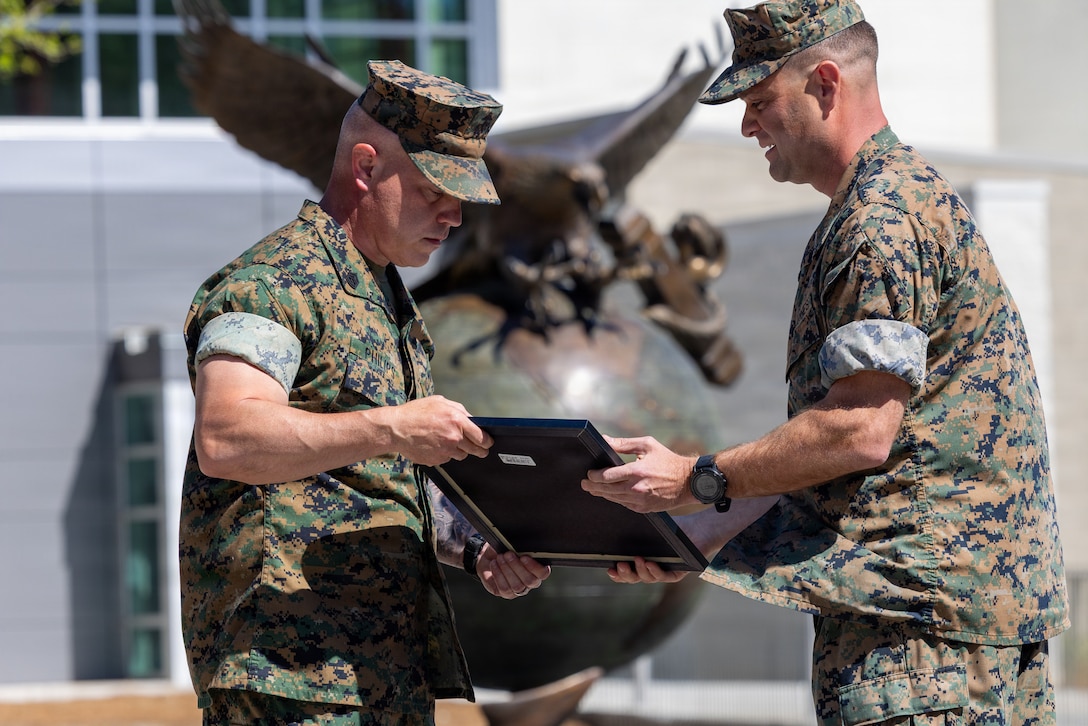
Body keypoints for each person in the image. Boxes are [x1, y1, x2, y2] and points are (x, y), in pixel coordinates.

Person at [581, 1, 1069, 723]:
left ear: (827, 84)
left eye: (760, 100)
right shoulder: (894, 200)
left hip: (919, 650)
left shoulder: (879, 221)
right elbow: (869, 449)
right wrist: (706, 525)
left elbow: (859, 429)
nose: (748, 125)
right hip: (946, 635)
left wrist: (696, 478)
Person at [180, 59, 551, 725]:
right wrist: (392, 428)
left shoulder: (384, 301)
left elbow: (379, 477)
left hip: (382, 675)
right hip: (289, 675)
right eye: (436, 189)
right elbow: (228, 437)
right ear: (365, 168)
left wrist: (476, 544)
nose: (455, 215)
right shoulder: (270, 285)